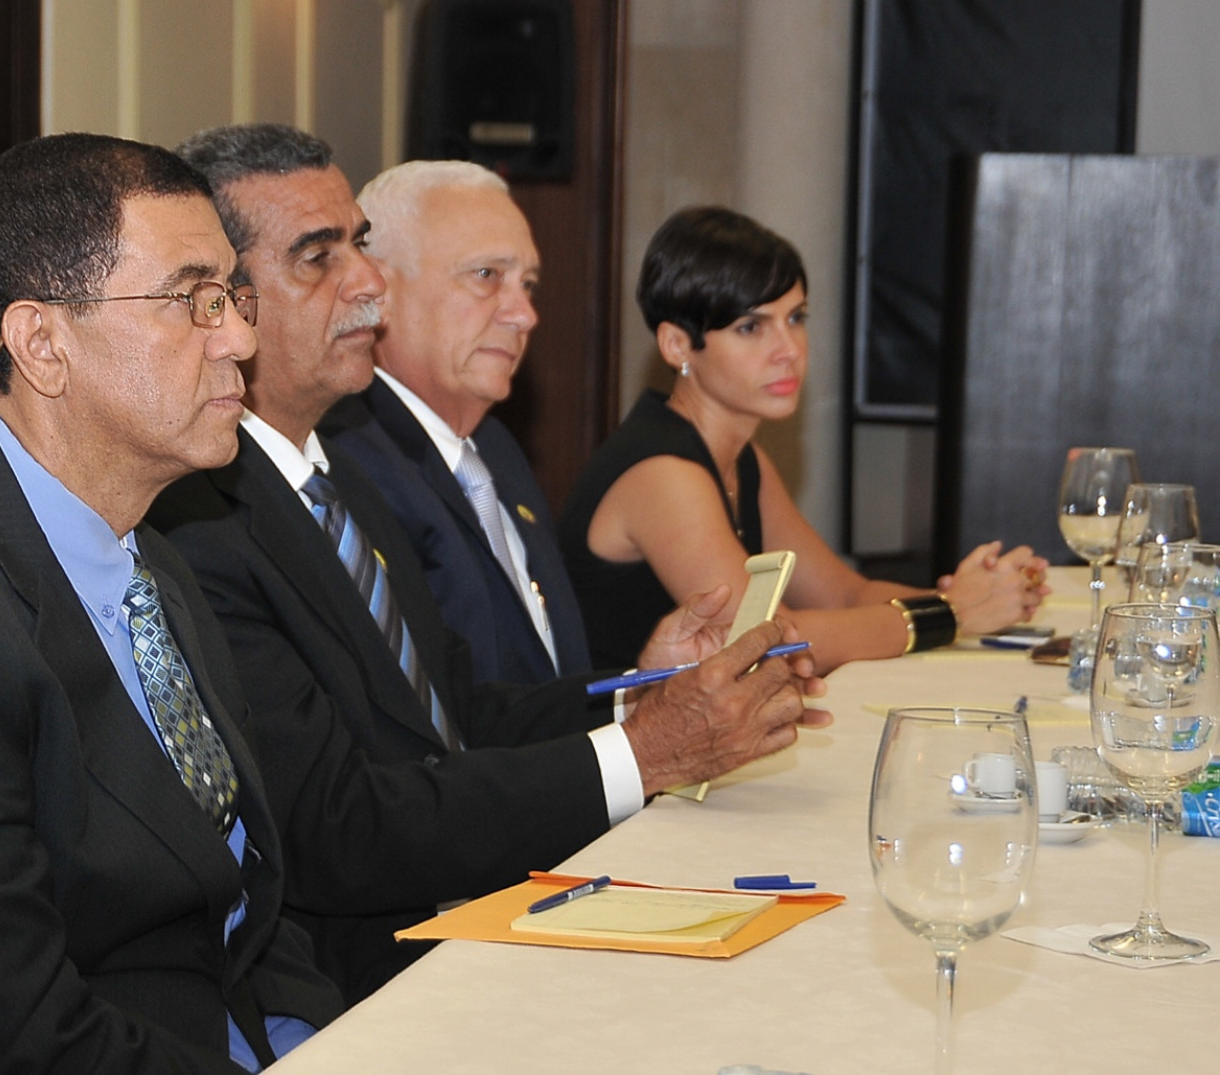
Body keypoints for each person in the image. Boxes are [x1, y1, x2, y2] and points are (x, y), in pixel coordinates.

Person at [149, 124, 827, 1000]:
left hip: (471, 909)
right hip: (359, 982)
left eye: (360, 244)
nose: (368, 282)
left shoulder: (336, 474)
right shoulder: (196, 524)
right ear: (221, 301)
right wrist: (645, 752)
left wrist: (647, 693)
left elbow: (458, 706)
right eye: (319, 257)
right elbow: (335, 830)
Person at [0, 133, 343, 1072]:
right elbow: (8, 1039)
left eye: (233, 295)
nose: (241, 337)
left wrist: (329, 1040)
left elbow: (241, 889)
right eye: (193, 300)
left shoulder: (148, 548)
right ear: (42, 344)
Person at [558, 206, 1048, 675]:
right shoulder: (663, 472)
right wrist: (953, 613)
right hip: (622, 731)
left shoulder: (743, 458)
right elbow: (769, 641)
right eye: (752, 327)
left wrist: (980, 596)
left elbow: (844, 595)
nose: (788, 350)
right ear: (677, 345)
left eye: (796, 318)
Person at [319, 159, 586, 685]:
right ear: (379, 290)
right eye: (486, 276)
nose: (524, 314)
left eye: (528, 284)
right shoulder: (347, 464)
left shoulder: (496, 448)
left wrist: (644, 685)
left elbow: (538, 679)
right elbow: (440, 709)